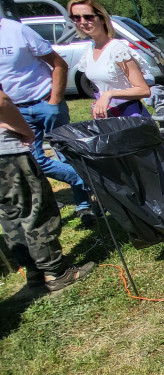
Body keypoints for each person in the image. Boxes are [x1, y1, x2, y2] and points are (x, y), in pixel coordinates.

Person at [0, 16, 94, 225]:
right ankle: (92, 181)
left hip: (46, 102)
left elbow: (58, 63)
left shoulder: (17, 30)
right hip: (16, 112)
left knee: (67, 154)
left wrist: (54, 100)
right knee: (34, 161)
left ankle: (84, 205)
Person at [0, 90, 94, 295]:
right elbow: (2, 101)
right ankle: (56, 272)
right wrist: (25, 130)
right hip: (8, 154)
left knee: (10, 215)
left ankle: (34, 273)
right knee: (37, 210)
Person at [68, 0, 151, 119]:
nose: (83, 22)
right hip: (108, 116)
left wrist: (109, 94)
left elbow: (143, 90)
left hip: (130, 117)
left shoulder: (117, 49)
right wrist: (101, 100)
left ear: (102, 18)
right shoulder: (89, 50)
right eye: (76, 18)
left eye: (88, 17)